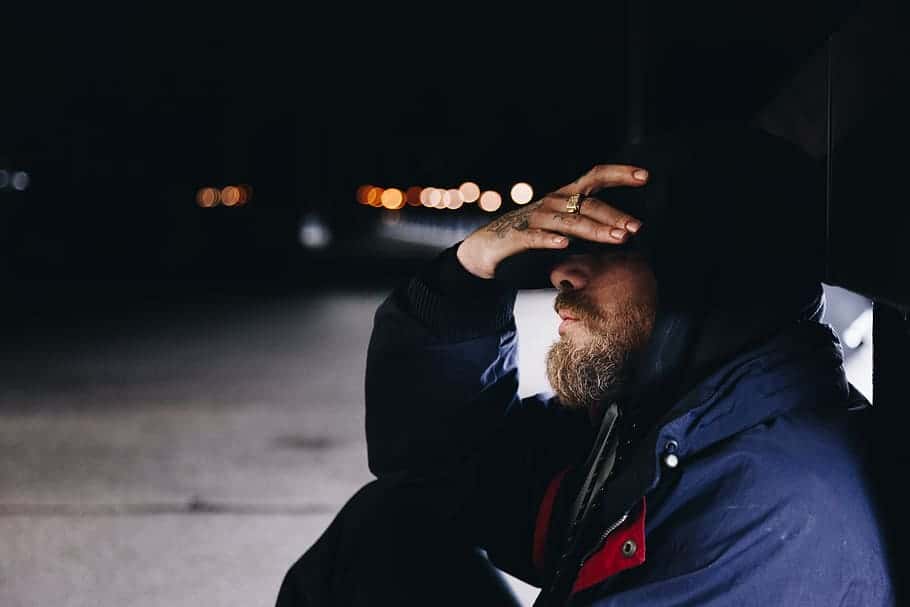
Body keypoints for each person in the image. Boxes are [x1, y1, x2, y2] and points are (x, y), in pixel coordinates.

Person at [276, 122, 895, 606]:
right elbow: (439, 469)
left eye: (615, 245)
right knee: (385, 534)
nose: (562, 271)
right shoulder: (671, 424)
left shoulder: (771, 510)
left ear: (704, 277)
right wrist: (467, 271)